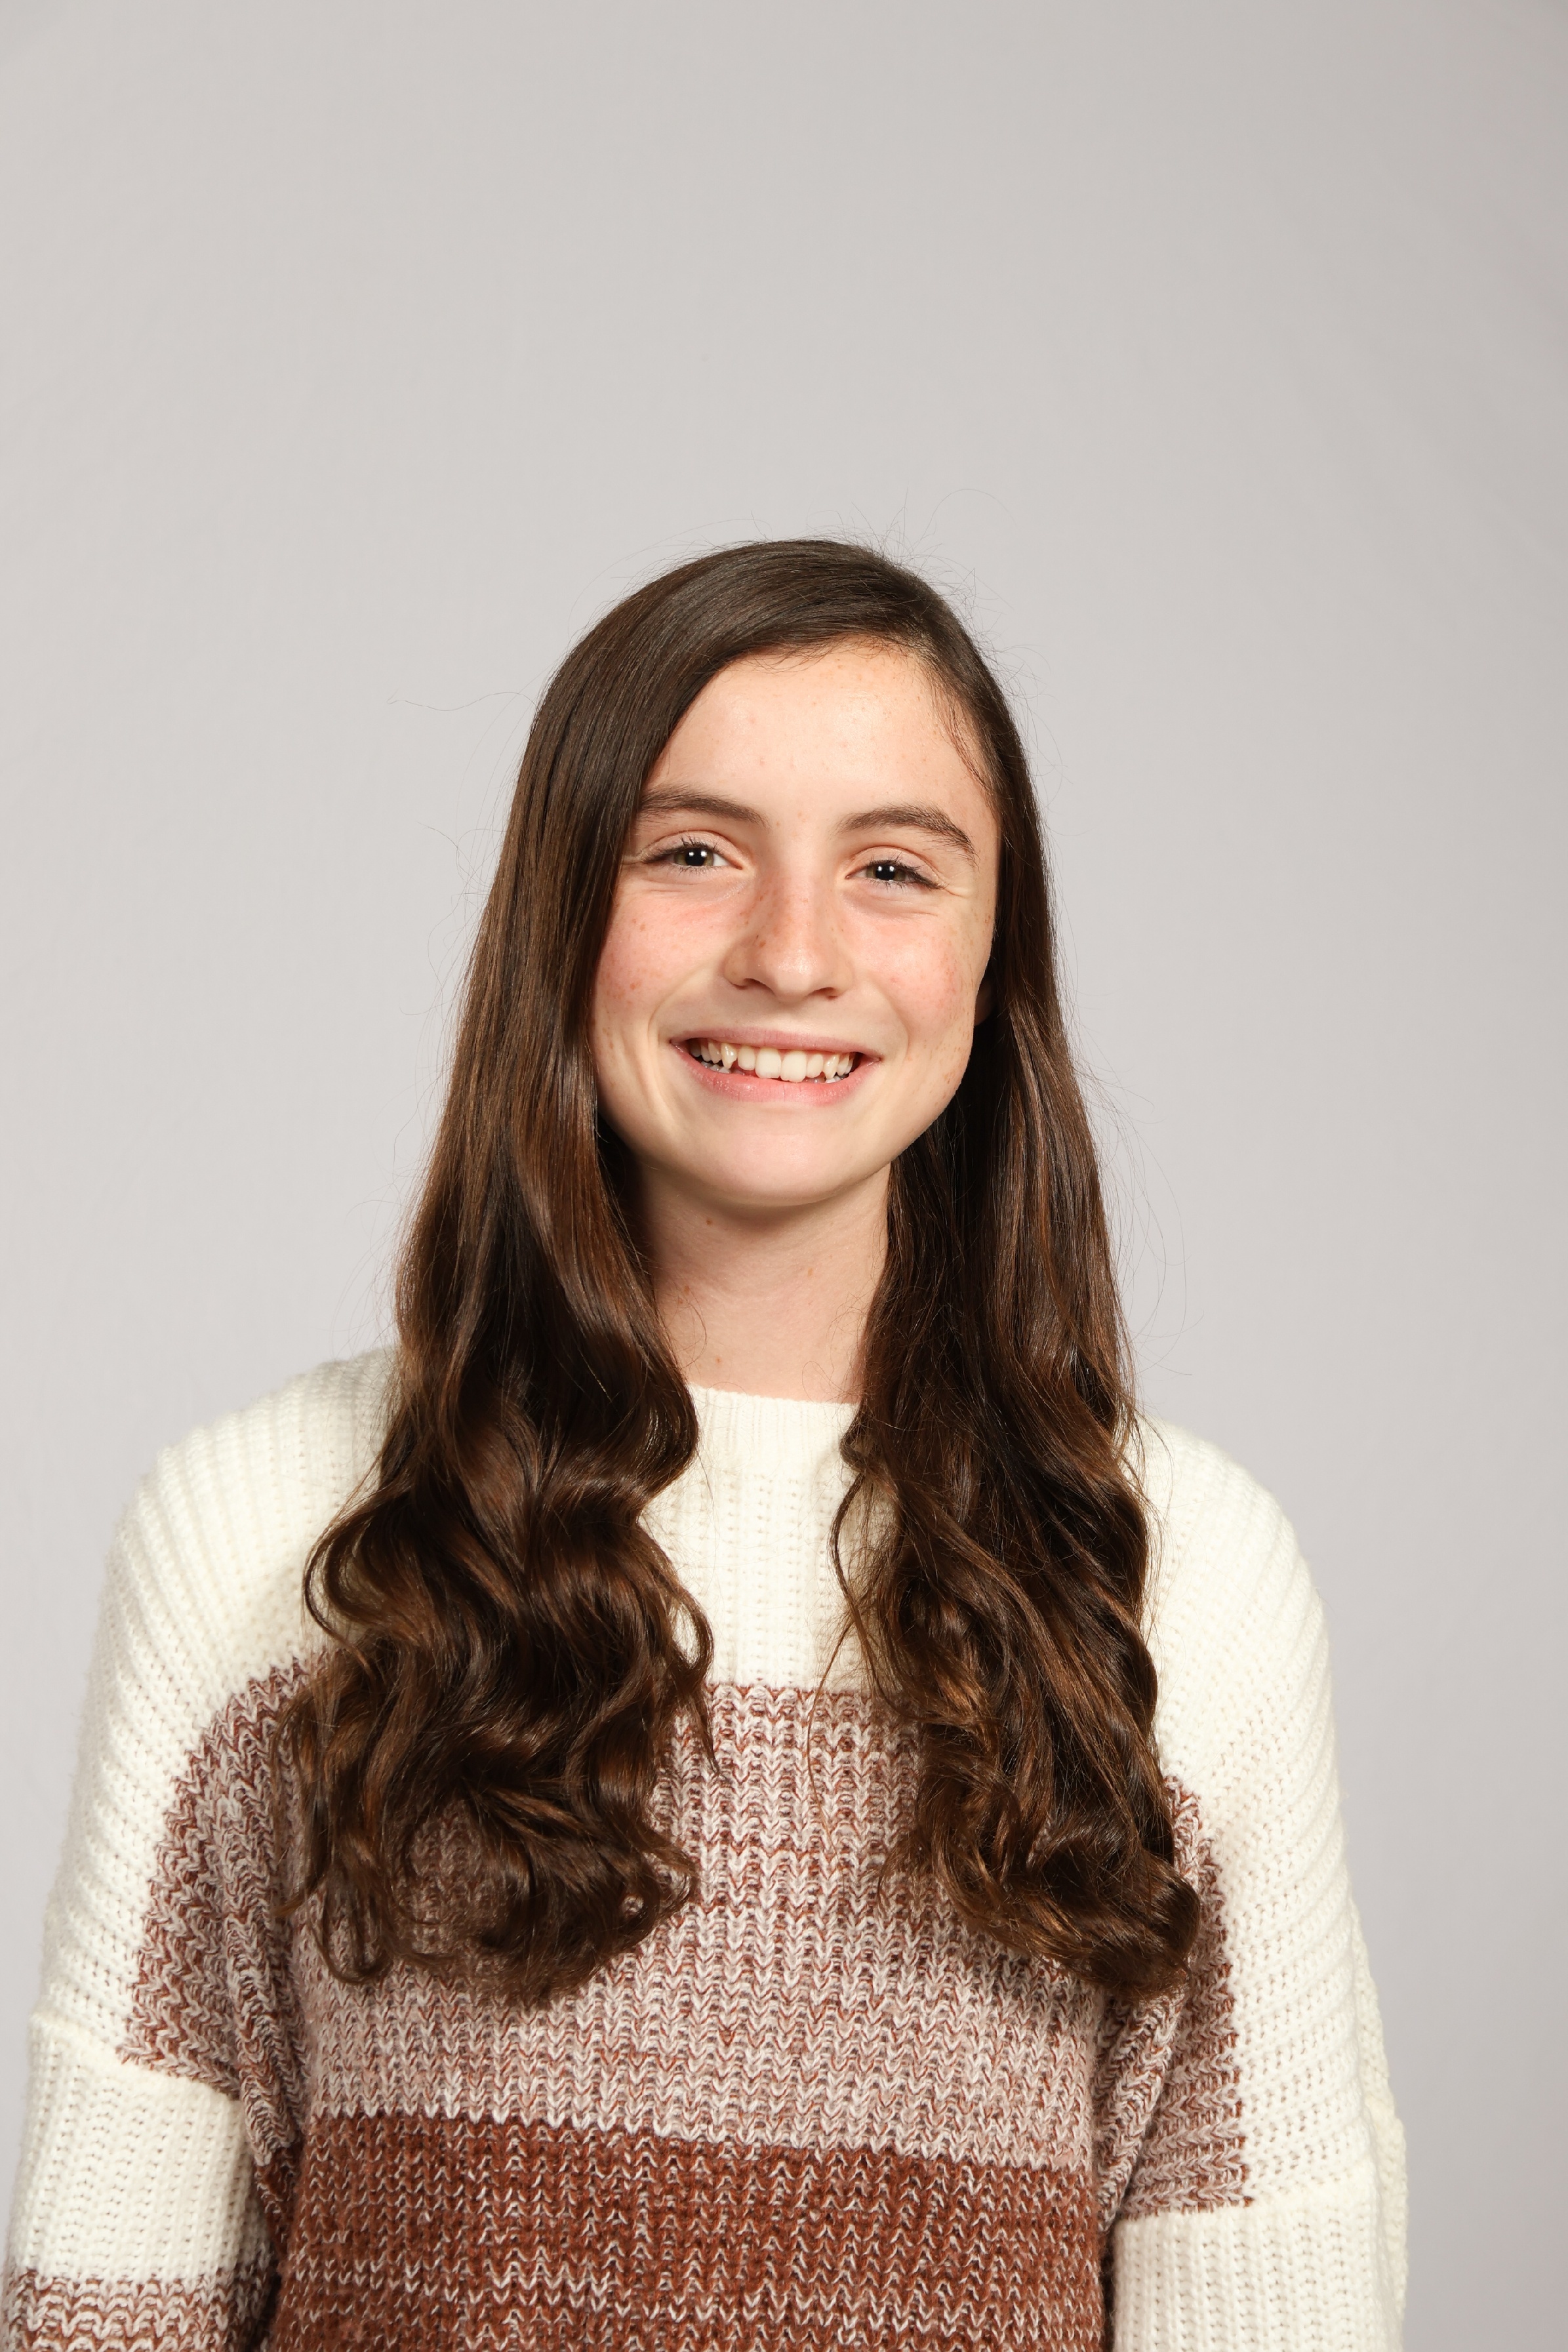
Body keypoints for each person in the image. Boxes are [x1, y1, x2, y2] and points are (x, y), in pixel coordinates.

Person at [1, 541, 1405, 2351]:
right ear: (561, 918)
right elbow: (104, 2300)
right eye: (692, 853)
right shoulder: (265, 1531)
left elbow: (1273, 2301)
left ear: (994, 960)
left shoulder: (1184, 1578)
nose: (791, 955)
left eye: (892, 868)